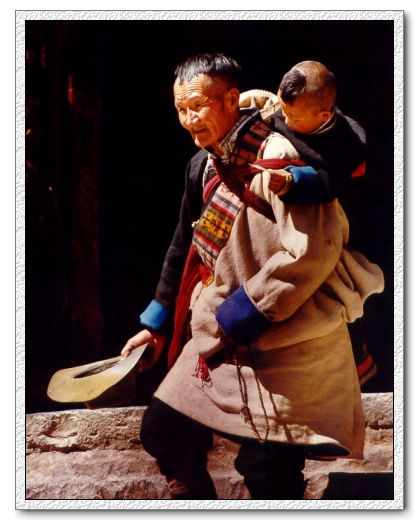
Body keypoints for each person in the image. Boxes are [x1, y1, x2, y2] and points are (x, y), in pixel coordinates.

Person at [121, 53, 384, 500]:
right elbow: (185, 245)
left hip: (287, 336)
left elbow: (311, 252)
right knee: (164, 429)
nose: (189, 120)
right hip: (218, 333)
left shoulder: (280, 156)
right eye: (181, 109)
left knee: (269, 470)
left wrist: (241, 315)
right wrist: (156, 324)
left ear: (230, 99)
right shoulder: (202, 164)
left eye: (197, 106)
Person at [239, 60, 377, 385]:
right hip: (281, 231)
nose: (284, 121)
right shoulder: (285, 112)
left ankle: (356, 370)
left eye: (294, 119)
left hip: (329, 234)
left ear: (324, 116)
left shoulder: (350, 144)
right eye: (283, 111)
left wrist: (292, 181)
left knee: (336, 301)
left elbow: (333, 183)